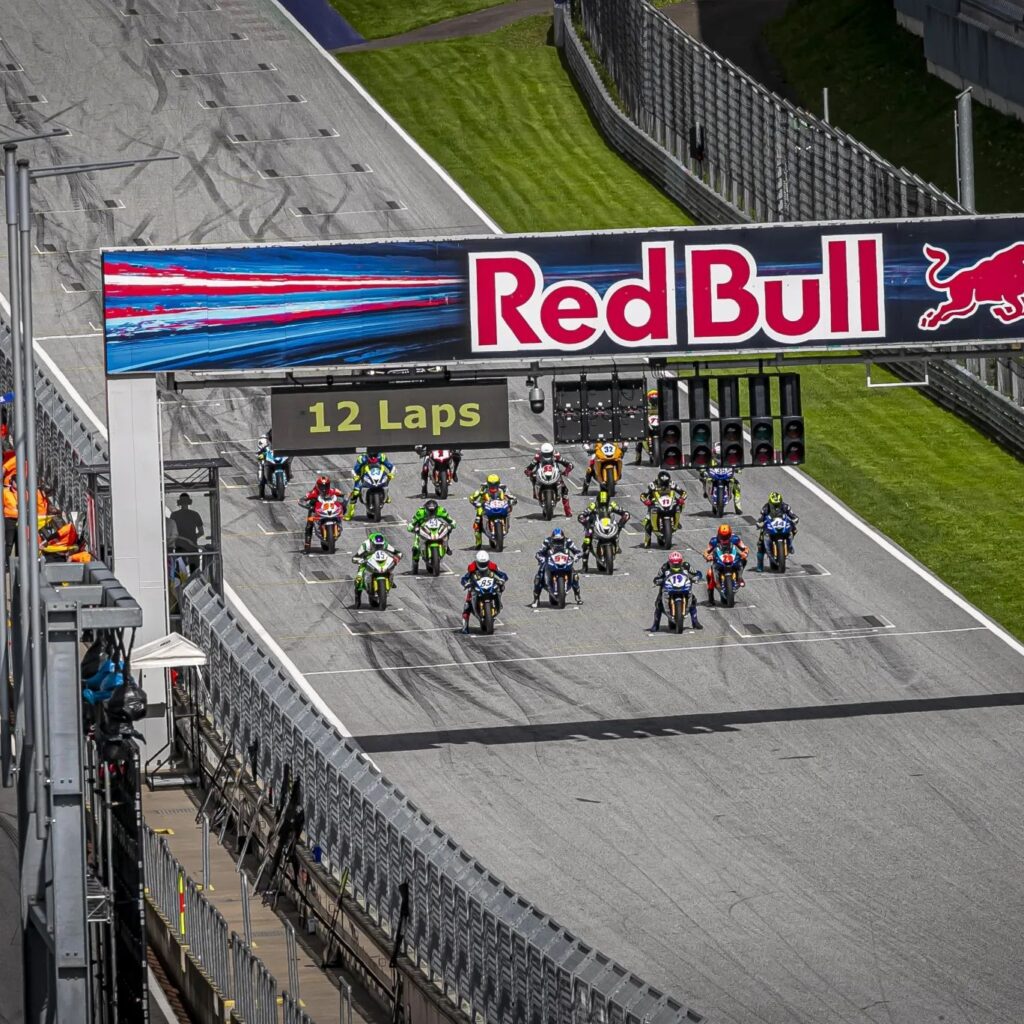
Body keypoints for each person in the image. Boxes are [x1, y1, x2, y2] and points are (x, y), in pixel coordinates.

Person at [649, 551, 703, 632]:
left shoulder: (686, 565)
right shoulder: (664, 567)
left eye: (678, 564)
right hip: (668, 587)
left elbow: (696, 573)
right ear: (669, 562)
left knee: (693, 600)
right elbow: (657, 577)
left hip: (683, 586)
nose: (676, 566)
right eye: (673, 564)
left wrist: (697, 577)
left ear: (681, 561)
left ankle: (695, 622)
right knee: (658, 603)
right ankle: (655, 625)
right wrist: (658, 581)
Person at [577, 489, 631, 571]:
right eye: (601, 504)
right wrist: (587, 524)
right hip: (594, 526)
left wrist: (621, 523)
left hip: (608, 525)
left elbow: (626, 513)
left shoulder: (612, 505)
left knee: (617, 530)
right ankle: (585, 565)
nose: (603, 506)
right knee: (587, 541)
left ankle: (616, 546)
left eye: (605, 504)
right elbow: (581, 516)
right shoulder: (593, 506)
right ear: (598, 501)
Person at [530, 527, 582, 607]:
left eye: (560, 541)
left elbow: (577, 551)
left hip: (564, 562)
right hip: (550, 562)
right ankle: (536, 599)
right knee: (538, 577)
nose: (558, 543)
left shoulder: (568, 541)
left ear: (563, 538)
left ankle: (577, 595)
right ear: (552, 539)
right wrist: (542, 559)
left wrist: (576, 557)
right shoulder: (547, 541)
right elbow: (539, 553)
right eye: (556, 541)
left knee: (575, 576)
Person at [460, 550, 508, 633]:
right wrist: (466, 584)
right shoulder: (472, 567)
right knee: (467, 605)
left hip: (490, 585)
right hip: (476, 585)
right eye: (481, 564)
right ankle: (465, 627)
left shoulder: (492, 565)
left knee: (501, 587)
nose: (483, 565)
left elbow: (503, 574)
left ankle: (498, 603)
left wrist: (502, 580)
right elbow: (464, 578)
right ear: (477, 562)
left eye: (485, 563)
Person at [352, 532, 401, 607]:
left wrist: (397, 558)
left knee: (389, 568)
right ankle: (357, 599)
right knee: (358, 579)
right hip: (366, 561)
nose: (379, 547)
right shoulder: (365, 545)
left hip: (380, 560)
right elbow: (355, 557)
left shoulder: (385, 544)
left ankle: (390, 579)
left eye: (380, 546)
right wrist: (359, 560)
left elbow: (398, 553)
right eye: (376, 546)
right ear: (371, 543)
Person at [407, 498, 455, 574]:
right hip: (423, 529)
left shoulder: (441, 510)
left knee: (447, 531)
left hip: (436, 529)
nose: (431, 513)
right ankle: (415, 564)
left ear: (436, 509)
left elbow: (450, 520)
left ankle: (447, 546)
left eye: (433, 511)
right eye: (430, 511)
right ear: (426, 509)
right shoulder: (420, 512)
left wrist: (451, 525)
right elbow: (412, 523)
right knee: (416, 546)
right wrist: (412, 527)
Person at [301, 474, 347, 554]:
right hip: (315, 510)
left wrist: (344, 501)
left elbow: (343, 495)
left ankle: (337, 525)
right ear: (318, 486)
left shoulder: (332, 490)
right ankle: (307, 546)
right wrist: (309, 506)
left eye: (326, 486)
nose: (324, 488)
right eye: (322, 486)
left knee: (343, 507)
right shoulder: (313, 492)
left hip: (329, 509)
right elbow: (301, 500)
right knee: (309, 525)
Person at [524, 442, 573, 517]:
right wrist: (528, 472)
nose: (547, 456)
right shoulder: (538, 456)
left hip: (554, 473)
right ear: (542, 452)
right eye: (545, 454)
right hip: (541, 473)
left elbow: (568, 464)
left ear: (552, 452)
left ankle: (567, 511)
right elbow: (530, 466)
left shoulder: (556, 455)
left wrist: (566, 471)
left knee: (565, 490)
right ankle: (535, 492)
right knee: (533, 478)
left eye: (548, 454)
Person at [704, 523, 749, 603]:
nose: (724, 539)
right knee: (709, 573)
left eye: (726, 536)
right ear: (718, 534)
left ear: (730, 534)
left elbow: (744, 547)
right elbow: (706, 551)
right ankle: (711, 597)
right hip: (718, 560)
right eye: (722, 536)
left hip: (732, 559)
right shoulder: (714, 540)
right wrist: (707, 556)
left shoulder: (735, 538)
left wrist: (745, 552)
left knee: (744, 560)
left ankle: (739, 577)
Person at [639, 470, 686, 547]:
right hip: (655, 505)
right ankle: (647, 540)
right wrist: (646, 501)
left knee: (680, 505)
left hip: (670, 504)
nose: (664, 485)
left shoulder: (672, 484)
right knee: (647, 522)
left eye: (666, 483)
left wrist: (682, 498)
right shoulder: (652, 485)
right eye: (662, 483)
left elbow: (683, 493)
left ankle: (676, 522)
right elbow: (643, 495)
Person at [468, 473, 517, 547]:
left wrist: (512, 500)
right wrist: (475, 503)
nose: (493, 486)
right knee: (477, 521)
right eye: (491, 484)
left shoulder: (503, 488)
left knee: (508, 512)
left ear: (498, 483)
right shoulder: (483, 488)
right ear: (488, 483)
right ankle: (478, 542)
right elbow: (472, 497)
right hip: (485, 506)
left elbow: (511, 496)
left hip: (500, 506)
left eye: (495, 484)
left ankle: (505, 526)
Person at [755, 490, 800, 570]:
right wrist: (759, 523)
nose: (776, 507)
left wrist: (795, 519)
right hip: (770, 525)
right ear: (770, 503)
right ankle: (760, 565)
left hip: (782, 524)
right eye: (774, 505)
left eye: (778, 504)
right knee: (760, 542)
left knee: (794, 529)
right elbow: (761, 518)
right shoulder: (765, 508)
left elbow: (792, 515)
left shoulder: (786, 506)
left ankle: (790, 545)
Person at [345, 451, 395, 520]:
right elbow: (354, 470)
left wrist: (391, 473)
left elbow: (392, 467)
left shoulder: (382, 456)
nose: (373, 458)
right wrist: (355, 476)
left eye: (375, 456)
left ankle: (386, 495)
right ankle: (349, 514)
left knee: (387, 478)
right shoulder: (362, 458)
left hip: (377, 476)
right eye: (371, 457)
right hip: (362, 478)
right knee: (355, 493)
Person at [700, 443, 742, 513]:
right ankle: (706, 491)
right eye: (717, 455)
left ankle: (738, 505)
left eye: (721, 455)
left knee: (737, 485)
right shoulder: (710, 459)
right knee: (704, 479)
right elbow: (702, 465)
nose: (719, 457)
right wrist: (702, 470)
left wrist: (737, 468)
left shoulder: (729, 459)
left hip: (726, 475)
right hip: (713, 475)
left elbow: (735, 464)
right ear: (714, 454)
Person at [635, 389, 660, 465]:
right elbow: (639, 411)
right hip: (648, 423)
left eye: (656, 399)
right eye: (652, 399)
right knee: (639, 438)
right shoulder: (645, 405)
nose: (654, 401)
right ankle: (638, 457)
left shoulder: (662, 405)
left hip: (658, 423)